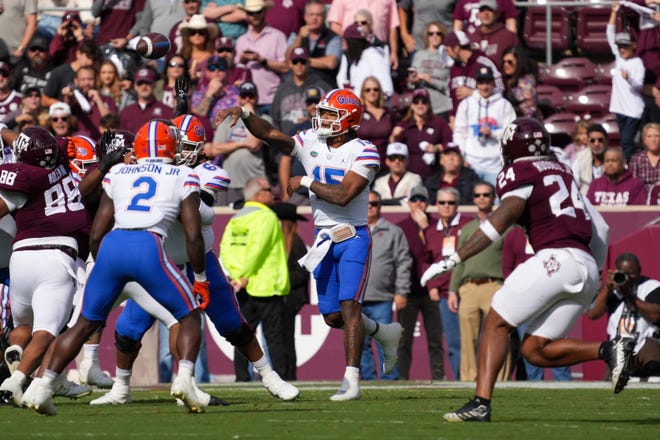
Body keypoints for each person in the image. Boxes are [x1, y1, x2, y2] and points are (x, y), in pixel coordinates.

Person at [421, 117, 630, 423]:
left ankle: (481, 403)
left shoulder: (518, 171)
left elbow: (504, 216)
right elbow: (602, 226)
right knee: (535, 349)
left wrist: (455, 258)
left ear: (511, 148)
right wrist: (594, 275)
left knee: (495, 322)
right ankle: (611, 350)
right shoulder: (564, 171)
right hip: (584, 263)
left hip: (555, 257)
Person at [215, 87, 404, 401]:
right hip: (325, 241)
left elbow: (344, 195)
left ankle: (352, 381)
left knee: (350, 306)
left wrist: (305, 181)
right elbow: (273, 135)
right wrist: (247, 115)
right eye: (324, 112)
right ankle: (383, 332)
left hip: (353, 236)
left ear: (349, 119)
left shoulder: (364, 150)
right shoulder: (313, 141)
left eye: (331, 114)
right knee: (332, 316)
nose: (323, 118)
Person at [23, 120, 211, 415]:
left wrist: (103, 265)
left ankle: (42, 386)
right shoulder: (184, 174)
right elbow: (192, 236)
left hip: (111, 246)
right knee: (188, 315)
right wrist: (200, 277)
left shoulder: (119, 172)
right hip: (148, 244)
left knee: (84, 323)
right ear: (170, 145)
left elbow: (97, 231)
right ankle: (185, 379)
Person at [0, 126, 92, 407]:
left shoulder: (23, 174)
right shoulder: (60, 159)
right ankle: (14, 382)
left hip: (21, 257)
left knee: (23, 325)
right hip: (57, 255)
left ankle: (18, 353)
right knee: (48, 330)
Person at [220, 177, 289, 381]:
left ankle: (242, 378)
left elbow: (225, 249)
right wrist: (245, 276)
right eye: (269, 189)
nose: (273, 193)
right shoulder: (267, 216)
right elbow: (258, 249)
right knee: (275, 337)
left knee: (242, 336)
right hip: (265, 286)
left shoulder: (236, 218)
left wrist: (236, 275)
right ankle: (281, 380)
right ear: (258, 195)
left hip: (242, 288)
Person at [446, 181, 513, 382]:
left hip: (496, 286)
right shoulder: (467, 229)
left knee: (500, 334)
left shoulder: (506, 227)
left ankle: (500, 380)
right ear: (473, 199)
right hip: (469, 287)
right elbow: (459, 260)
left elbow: (512, 259)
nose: (482, 198)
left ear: (493, 197)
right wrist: (452, 290)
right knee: (467, 339)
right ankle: (468, 380)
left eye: (486, 194)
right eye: (477, 195)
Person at [503, 225, 572, 381]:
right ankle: (535, 385)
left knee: (557, 343)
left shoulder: (552, 231)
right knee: (530, 347)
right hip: (524, 301)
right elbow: (507, 268)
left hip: (552, 299)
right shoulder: (514, 234)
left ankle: (565, 386)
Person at [395, 185, 445, 380]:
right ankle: (401, 378)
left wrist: (426, 228)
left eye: (422, 200)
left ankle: (439, 377)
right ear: (408, 203)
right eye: (414, 199)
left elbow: (439, 255)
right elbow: (397, 261)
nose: (418, 203)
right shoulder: (401, 227)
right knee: (403, 341)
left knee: (435, 339)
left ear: (428, 203)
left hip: (431, 291)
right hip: (408, 291)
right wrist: (398, 290)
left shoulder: (435, 226)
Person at [423, 187, 473, 380]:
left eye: (450, 202)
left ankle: (477, 380)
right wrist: (431, 285)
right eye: (442, 203)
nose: (446, 206)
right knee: (453, 343)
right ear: (436, 205)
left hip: (467, 289)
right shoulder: (431, 230)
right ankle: (461, 381)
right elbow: (425, 261)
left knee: (474, 341)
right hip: (443, 294)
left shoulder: (469, 225)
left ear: (457, 204)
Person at [360, 191, 411, 380]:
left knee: (386, 343)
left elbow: (403, 263)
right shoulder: (352, 230)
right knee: (360, 344)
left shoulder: (394, 232)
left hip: (383, 297)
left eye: (375, 203)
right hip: (357, 299)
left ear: (380, 205)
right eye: (367, 203)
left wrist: (401, 291)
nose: (371, 206)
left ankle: (391, 380)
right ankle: (368, 380)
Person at [588, 253, 660, 381]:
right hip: (620, 347)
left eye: (631, 273)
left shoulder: (651, 287)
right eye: (623, 273)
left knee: (653, 352)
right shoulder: (614, 291)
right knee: (607, 386)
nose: (627, 278)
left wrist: (629, 295)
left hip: (646, 346)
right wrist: (607, 288)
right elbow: (593, 314)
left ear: (639, 270)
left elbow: (655, 315)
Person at [453, 66, 516, 186]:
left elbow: (512, 133)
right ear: (476, 84)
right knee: (470, 201)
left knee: (498, 202)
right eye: (481, 83)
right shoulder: (466, 104)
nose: (485, 87)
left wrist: (493, 133)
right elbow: (459, 133)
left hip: (496, 165)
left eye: (488, 82)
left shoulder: (504, 105)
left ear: (493, 83)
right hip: (471, 163)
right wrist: (462, 157)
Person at [209, 82, 266, 206]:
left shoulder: (264, 120)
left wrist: (249, 113)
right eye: (244, 96)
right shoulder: (228, 120)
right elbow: (215, 149)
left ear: (257, 98)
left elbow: (254, 144)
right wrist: (242, 144)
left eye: (251, 97)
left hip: (255, 182)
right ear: (238, 98)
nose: (247, 100)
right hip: (230, 182)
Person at [271, 202, 309, 381]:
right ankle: (283, 374)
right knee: (280, 338)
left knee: (285, 338)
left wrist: (279, 279)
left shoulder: (296, 242)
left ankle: (288, 375)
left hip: (289, 298)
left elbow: (302, 273)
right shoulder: (278, 241)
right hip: (278, 297)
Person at [234, 0, 289, 115]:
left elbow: (285, 67)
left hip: (270, 100)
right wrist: (242, 60)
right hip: (246, 100)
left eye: (257, 12)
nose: (254, 16)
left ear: (264, 12)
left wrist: (262, 60)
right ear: (246, 14)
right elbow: (236, 69)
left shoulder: (277, 36)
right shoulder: (241, 40)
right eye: (250, 13)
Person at [607, 3, 646, 162]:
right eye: (620, 47)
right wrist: (614, 12)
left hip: (633, 110)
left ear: (633, 46)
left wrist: (628, 78)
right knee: (626, 143)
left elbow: (639, 86)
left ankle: (632, 171)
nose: (622, 49)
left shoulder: (638, 63)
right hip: (620, 108)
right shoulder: (619, 58)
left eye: (625, 46)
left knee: (628, 143)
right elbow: (609, 35)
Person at [390, 88, 452, 180]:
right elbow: (393, 149)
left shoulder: (439, 123)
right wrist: (394, 136)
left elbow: (450, 143)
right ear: (412, 105)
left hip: (434, 175)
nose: (420, 105)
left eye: (424, 101)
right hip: (409, 176)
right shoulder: (403, 125)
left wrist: (436, 148)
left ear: (429, 104)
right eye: (416, 101)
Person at [270, 46, 332, 136]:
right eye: (295, 62)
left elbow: (331, 114)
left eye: (303, 61)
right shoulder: (282, 89)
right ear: (290, 64)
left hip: (315, 139)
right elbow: (275, 118)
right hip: (287, 142)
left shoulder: (322, 86)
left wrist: (311, 120)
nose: (299, 65)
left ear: (308, 63)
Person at [444, 30, 504, 120]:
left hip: (484, 121)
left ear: (456, 48)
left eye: (447, 50)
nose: (447, 54)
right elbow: (449, 94)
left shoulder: (485, 63)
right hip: (461, 124)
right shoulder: (454, 68)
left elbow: (501, 90)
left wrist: (473, 93)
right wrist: (452, 116)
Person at [327, 0, 400, 69]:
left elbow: (392, 26)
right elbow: (335, 23)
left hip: (379, 50)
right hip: (350, 52)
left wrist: (394, 52)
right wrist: (345, 43)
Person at [285, 0, 342, 88]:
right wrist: (299, 38)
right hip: (299, 89)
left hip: (325, 86)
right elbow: (288, 59)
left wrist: (302, 60)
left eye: (318, 15)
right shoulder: (296, 35)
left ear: (324, 17)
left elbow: (331, 63)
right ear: (305, 17)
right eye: (311, 15)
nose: (314, 18)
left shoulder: (333, 37)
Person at [336, 23, 394, 100]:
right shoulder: (356, 61)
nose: (345, 48)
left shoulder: (373, 57)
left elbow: (387, 90)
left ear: (352, 43)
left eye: (346, 43)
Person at [408, 22, 452, 118]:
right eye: (431, 33)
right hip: (421, 106)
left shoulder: (448, 56)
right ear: (427, 36)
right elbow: (410, 85)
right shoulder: (419, 55)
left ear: (443, 35)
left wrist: (430, 80)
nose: (435, 36)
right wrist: (413, 81)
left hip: (442, 107)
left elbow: (449, 87)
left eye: (438, 33)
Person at [356, 76, 396, 170]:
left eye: (376, 89)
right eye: (368, 90)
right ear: (363, 92)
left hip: (385, 165)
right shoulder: (358, 113)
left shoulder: (389, 113)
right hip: (363, 164)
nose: (372, 92)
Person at [119, 67, 174, 134]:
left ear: (154, 84)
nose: (144, 86)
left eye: (147, 83)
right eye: (140, 83)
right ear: (135, 86)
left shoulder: (167, 112)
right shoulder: (126, 113)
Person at [468, 0, 519, 65]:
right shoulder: (470, 37)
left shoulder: (508, 37)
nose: (486, 13)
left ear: (497, 14)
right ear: (478, 14)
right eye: (482, 10)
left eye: (490, 10)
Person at [500, 46, 541, 119]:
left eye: (510, 62)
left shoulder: (527, 80)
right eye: (504, 62)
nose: (506, 65)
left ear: (519, 62)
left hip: (527, 121)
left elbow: (516, 96)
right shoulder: (504, 79)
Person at [179, 14, 217, 82]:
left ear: (206, 35)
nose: (197, 35)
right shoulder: (182, 56)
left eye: (201, 32)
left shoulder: (213, 57)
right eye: (193, 32)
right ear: (189, 36)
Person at [572, 123, 609, 195]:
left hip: (609, 195)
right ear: (588, 142)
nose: (596, 144)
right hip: (586, 196)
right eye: (592, 140)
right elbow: (573, 182)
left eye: (600, 140)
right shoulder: (580, 157)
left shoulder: (615, 156)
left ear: (606, 141)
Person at [453, 0, 518, 35]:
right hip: (472, 40)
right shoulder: (463, 1)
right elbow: (458, 25)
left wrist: (510, 42)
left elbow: (511, 25)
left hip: (496, 39)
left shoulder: (504, 1)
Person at [629, 122, 660, 193]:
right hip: (642, 198)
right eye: (649, 136)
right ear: (644, 140)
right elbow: (632, 184)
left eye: (657, 136)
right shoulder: (636, 159)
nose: (653, 140)